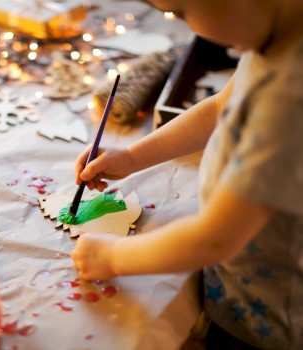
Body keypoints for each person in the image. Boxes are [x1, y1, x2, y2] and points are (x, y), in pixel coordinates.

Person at [70, 0, 303, 348]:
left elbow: (215, 239)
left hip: (266, 319)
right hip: (237, 278)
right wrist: (132, 156)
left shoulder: (287, 100)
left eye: (180, 11)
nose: (187, 28)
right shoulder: (275, 40)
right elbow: (220, 108)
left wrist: (111, 257)